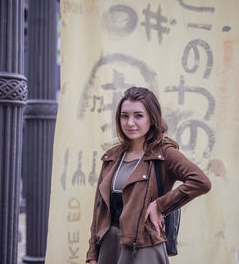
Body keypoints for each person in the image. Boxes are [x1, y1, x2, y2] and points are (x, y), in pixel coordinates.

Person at [86, 87, 211, 264]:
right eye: (124, 116)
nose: (130, 123)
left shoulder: (164, 154)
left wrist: (159, 205)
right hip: (109, 246)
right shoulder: (112, 157)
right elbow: (98, 211)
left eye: (138, 115)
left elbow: (201, 182)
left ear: (152, 118)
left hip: (144, 249)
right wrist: (92, 255)